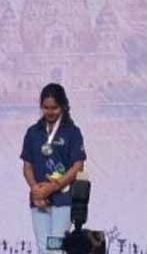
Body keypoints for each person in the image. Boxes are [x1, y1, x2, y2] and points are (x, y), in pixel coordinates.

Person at [21, 83, 87, 254]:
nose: (50, 112)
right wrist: (36, 190)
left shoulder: (72, 132)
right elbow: (27, 166)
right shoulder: (33, 132)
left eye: (54, 108)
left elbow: (78, 166)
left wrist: (53, 187)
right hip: (39, 200)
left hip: (63, 199)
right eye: (46, 108)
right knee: (43, 249)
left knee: (55, 249)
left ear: (63, 106)